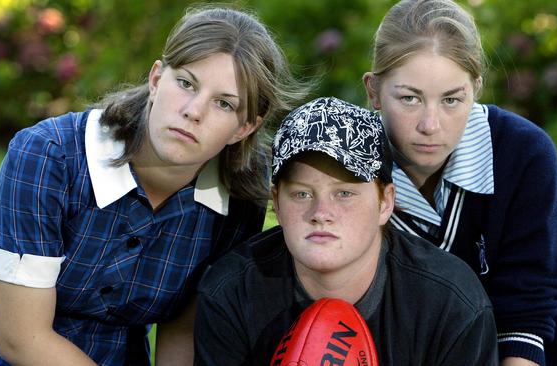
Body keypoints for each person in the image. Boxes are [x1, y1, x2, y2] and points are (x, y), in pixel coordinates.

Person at [0, 5, 307, 365]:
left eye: (223, 103)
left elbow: (183, 329)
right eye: (185, 83)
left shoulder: (239, 194)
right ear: (156, 79)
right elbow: (19, 339)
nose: (193, 110)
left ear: (245, 127)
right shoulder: (49, 157)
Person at [361, 1, 557, 365]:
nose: (431, 124)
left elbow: (528, 317)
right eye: (409, 99)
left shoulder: (522, 153)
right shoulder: (352, 167)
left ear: (476, 88)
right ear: (374, 90)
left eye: (452, 100)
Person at [194, 96, 498, 365]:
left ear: (384, 203)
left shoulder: (450, 304)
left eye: (344, 194)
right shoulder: (231, 294)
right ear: (277, 203)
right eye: (302, 194)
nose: (321, 214)